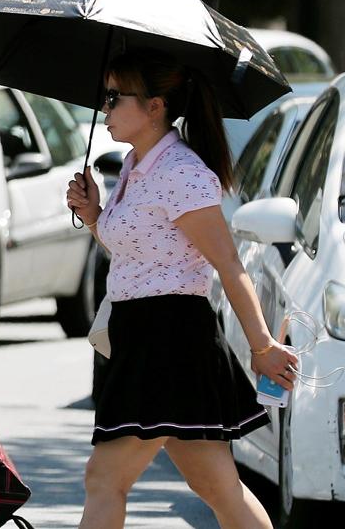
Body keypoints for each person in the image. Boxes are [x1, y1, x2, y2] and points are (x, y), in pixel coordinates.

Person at [65, 49, 300, 529]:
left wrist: (262, 346)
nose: (104, 108)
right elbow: (140, 252)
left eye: (114, 97)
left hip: (168, 339)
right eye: (104, 97)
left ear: (155, 106)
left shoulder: (181, 173)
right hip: (143, 335)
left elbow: (227, 263)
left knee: (104, 479)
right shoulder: (137, 165)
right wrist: (93, 217)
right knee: (217, 487)